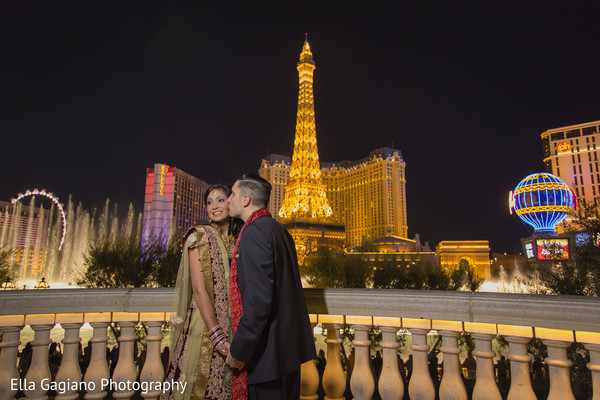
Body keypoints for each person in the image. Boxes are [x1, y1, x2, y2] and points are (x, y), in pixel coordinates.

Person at [225, 173, 317, 400]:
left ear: (246, 200)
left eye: (233, 194)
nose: (228, 199)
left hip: (266, 361)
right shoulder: (280, 230)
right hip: (288, 358)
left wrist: (239, 350)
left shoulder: (254, 232)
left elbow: (259, 301)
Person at [161, 184, 242, 400]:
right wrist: (216, 335)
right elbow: (198, 290)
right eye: (209, 202)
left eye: (220, 200)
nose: (214, 206)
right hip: (205, 323)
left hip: (236, 322)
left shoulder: (240, 240)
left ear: (231, 202)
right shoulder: (199, 237)